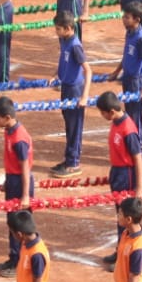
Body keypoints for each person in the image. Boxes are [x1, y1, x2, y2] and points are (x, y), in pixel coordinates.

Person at [98, 91, 142, 267]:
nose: (102, 116)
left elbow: (137, 158)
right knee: (120, 215)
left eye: (102, 113)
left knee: (127, 215)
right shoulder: (116, 122)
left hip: (127, 175)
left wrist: (139, 187)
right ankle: (121, 249)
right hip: (117, 172)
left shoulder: (128, 128)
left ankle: (126, 254)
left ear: (110, 111)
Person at [0, 96, 35, 277]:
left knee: (20, 225)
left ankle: (21, 262)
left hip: (21, 183)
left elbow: (25, 167)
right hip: (13, 180)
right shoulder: (9, 131)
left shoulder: (19, 138)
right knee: (12, 222)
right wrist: (7, 181)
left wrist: (25, 195)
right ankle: (14, 257)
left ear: (7, 117)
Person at [51, 11, 91, 178]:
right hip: (66, 87)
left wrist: (84, 97)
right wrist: (56, 74)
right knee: (68, 124)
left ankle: (73, 163)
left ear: (68, 28)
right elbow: (63, 61)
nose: (56, 32)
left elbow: (88, 70)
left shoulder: (75, 45)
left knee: (75, 127)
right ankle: (69, 159)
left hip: (75, 89)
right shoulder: (65, 40)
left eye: (59, 29)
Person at [109, 3, 142, 142]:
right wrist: (116, 72)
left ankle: (138, 146)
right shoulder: (129, 32)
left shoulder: (141, 38)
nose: (124, 19)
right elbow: (126, 56)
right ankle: (131, 143)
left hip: (136, 81)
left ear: (137, 19)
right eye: (124, 16)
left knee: (135, 115)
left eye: (127, 17)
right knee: (129, 113)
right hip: (127, 78)